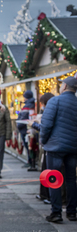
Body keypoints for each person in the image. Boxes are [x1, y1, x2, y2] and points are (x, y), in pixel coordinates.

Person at [40, 76, 77, 223]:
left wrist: (44, 141)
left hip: (56, 146)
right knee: (71, 179)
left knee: (54, 178)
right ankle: (72, 212)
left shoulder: (55, 101)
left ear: (65, 86)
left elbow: (46, 124)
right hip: (73, 147)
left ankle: (56, 213)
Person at [29, 93, 54, 204]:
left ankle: (49, 196)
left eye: (42, 103)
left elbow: (45, 128)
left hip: (50, 146)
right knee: (45, 170)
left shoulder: (50, 112)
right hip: (49, 145)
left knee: (49, 171)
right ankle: (45, 194)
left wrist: (35, 124)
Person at [16, 90, 36, 169]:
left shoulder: (27, 106)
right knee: (29, 146)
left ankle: (30, 161)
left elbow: (23, 117)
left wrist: (19, 125)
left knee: (29, 146)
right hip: (28, 128)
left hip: (25, 128)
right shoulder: (32, 104)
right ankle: (31, 161)